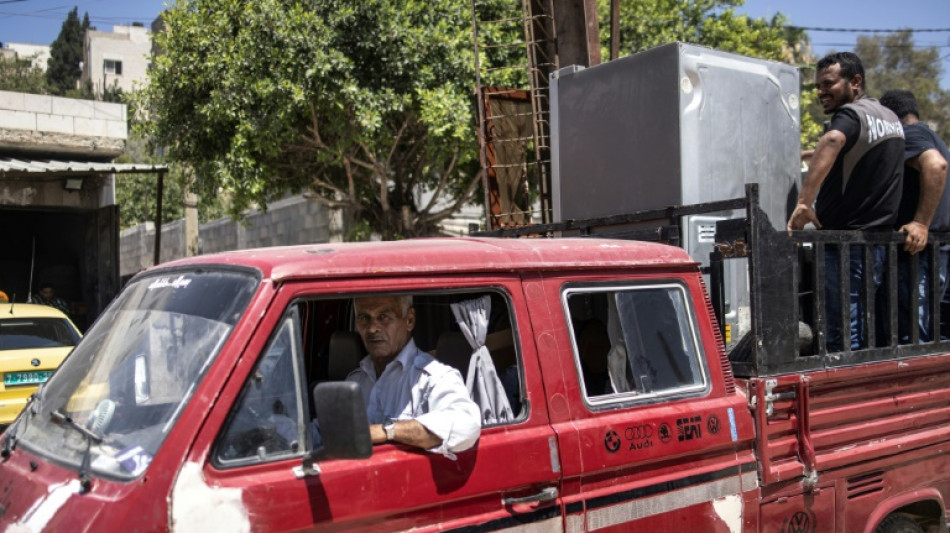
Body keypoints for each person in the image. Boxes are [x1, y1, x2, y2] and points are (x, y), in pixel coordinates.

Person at [787, 52, 905, 351]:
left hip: (845, 243)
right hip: (876, 242)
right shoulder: (890, 118)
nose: (820, 92)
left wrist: (804, 202)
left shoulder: (851, 114)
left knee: (841, 327)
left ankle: (840, 385)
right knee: (865, 321)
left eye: (828, 83)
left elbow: (833, 140)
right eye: (818, 85)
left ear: (855, 82)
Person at [347, 294, 480, 458]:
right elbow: (327, 430)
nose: (372, 328)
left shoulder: (433, 377)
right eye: (364, 318)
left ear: (409, 320)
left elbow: (466, 425)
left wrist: (386, 430)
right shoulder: (355, 381)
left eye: (383, 317)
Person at [880, 89, 950, 342]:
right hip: (932, 248)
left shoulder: (911, 135)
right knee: (920, 325)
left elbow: (936, 166)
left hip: (917, 250)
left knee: (910, 332)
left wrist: (920, 223)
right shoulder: (932, 136)